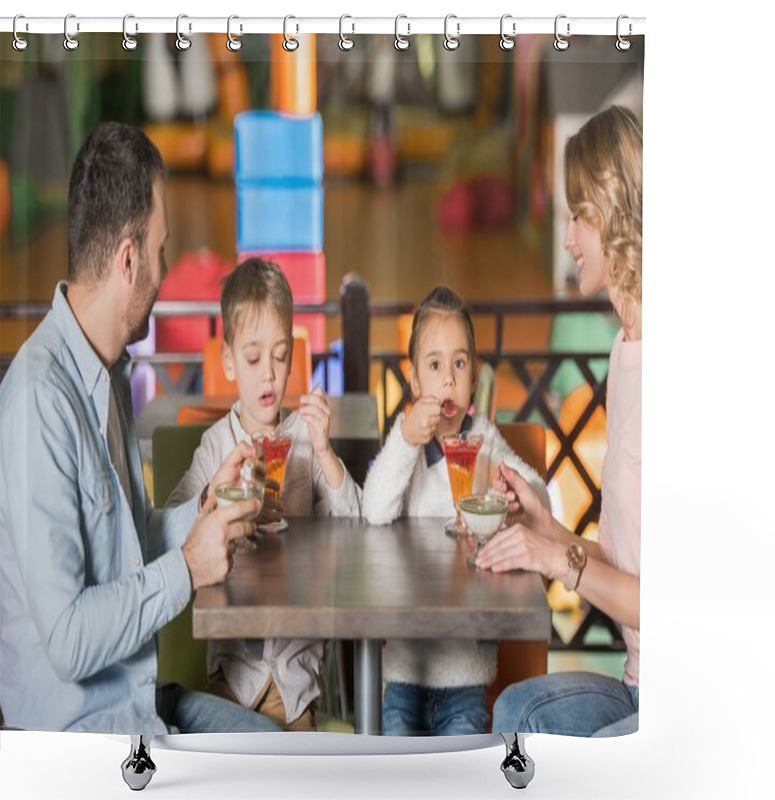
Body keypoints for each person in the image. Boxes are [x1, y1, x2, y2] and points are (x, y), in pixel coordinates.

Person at [0, 121, 283, 734]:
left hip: (139, 707)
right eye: (160, 252)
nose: (164, 270)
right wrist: (187, 566)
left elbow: (130, 547)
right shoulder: (38, 400)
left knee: (281, 752)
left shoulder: (107, 371)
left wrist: (207, 510)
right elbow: (69, 641)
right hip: (80, 742)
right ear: (129, 260)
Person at [477, 105, 642, 737]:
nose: (568, 239)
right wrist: (550, 531)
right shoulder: (626, 352)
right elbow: (626, 566)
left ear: (613, 213)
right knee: (515, 714)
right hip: (635, 681)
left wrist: (558, 561)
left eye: (578, 216)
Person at [165, 257, 361, 731]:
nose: (269, 375)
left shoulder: (304, 440)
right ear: (229, 360)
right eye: (253, 359)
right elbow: (172, 522)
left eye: (280, 356)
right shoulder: (216, 446)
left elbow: (356, 528)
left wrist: (325, 454)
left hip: (296, 683)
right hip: (232, 677)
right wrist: (216, 500)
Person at [361, 286, 550, 736]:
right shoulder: (406, 441)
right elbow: (373, 511)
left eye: (459, 364)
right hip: (404, 674)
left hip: (466, 680)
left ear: (474, 377)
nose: (448, 378)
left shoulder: (483, 437)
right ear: (414, 381)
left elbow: (539, 495)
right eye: (434, 365)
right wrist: (406, 437)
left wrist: (515, 494)